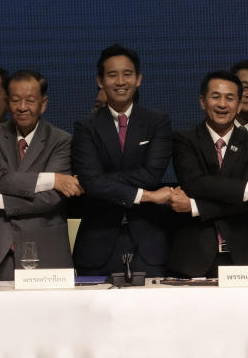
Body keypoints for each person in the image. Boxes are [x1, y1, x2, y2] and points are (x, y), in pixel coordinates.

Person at [71, 44, 174, 276]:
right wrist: (144, 195)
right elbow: (91, 182)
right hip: (97, 243)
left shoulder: (158, 122)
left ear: (138, 79)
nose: (120, 81)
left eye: (127, 74)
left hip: (148, 244)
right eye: (112, 74)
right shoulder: (86, 127)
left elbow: (151, 175)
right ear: (100, 80)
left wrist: (97, 181)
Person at [167, 71, 248, 277]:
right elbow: (195, 184)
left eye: (230, 98)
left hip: (245, 256)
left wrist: (195, 206)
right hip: (193, 255)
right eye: (216, 96)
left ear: (239, 105)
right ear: (202, 102)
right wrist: (247, 189)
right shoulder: (184, 139)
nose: (222, 104)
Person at [0, 70, 82, 280]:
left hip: (46, 246)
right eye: (16, 100)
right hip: (0, 249)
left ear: (43, 104)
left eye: (30, 100)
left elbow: (52, 198)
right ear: (8, 102)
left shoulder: (61, 140)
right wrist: (52, 179)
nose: (22, 107)